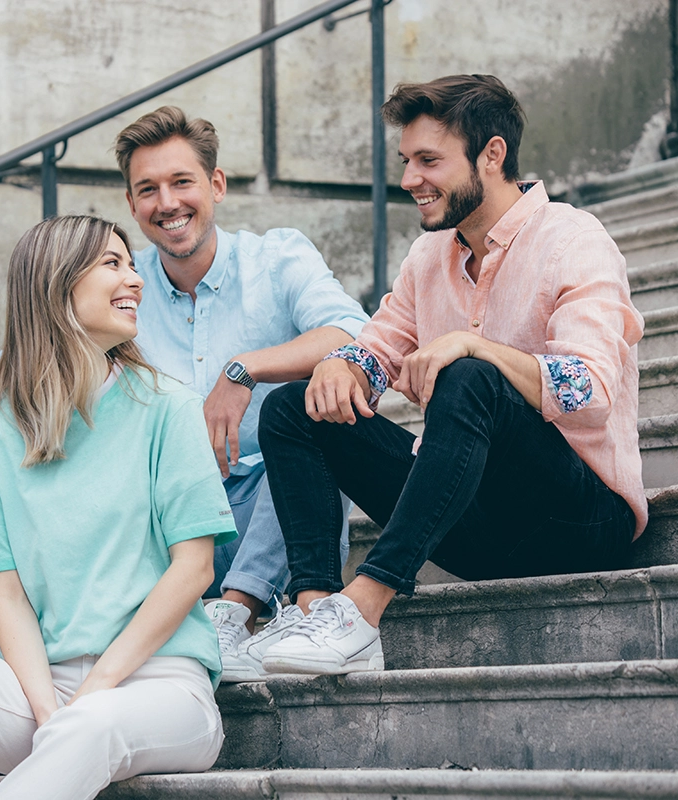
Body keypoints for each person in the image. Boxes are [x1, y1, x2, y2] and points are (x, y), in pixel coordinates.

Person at [258, 74, 647, 675]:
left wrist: (477, 347)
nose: (410, 179)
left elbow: (589, 390)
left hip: (578, 522)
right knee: (293, 408)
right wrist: (343, 365)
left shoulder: (573, 239)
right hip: (477, 528)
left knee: (469, 374)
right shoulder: (428, 256)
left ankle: (364, 607)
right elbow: (379, 350)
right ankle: (316, 614)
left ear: (491, 154)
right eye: (406, 161)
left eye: (429, 160)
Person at [0, 215, 236, 800]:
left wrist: (93, 691)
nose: (135, 278)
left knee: (91, 722)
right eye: (112, 263)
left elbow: (195, 569)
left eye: (131, 264)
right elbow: (7, 595)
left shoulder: (169, 409)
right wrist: (47, 712)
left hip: (162, 685)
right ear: (57, 284)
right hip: (41, 688)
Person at [0, 106, 369, 682]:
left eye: (182, 182)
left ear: (216, 184)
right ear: (131, 203)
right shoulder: (121, 281)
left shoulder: (277, 258)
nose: (167, 203)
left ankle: (235, 612)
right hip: (162, 526)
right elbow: (5, 370)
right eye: (148, 189)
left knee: (323, 411)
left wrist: (244, 370)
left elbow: (355, 333)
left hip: (272, 514)